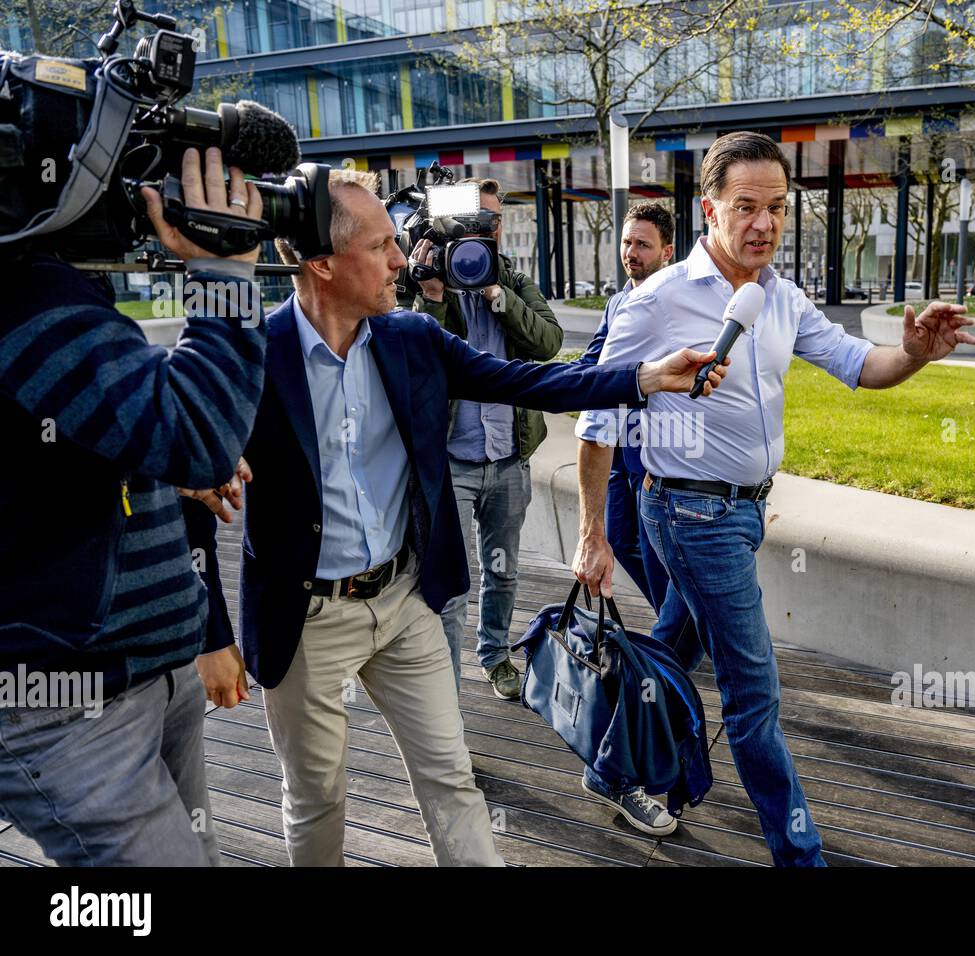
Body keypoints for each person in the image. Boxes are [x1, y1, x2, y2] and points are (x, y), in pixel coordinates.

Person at [187, 169, 727, 866]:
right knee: (316, 799)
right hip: (306, 621)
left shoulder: (413, 338)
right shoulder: (253, 359)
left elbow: (533, 379)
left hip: (408, 602)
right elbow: (188, 486)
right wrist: (211, 636)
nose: (401, 260)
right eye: (382, 246)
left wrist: (647, 377)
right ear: (322, 264)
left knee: (451, 781)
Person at [575, 131, 975, 866]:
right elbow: (598, 419)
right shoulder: (658, 299)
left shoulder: (782, 296)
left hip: (745, 510)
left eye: (778, 207)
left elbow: (862, 364)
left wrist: (916, 353)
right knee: (755, 696)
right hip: (689, 514)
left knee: (671, 645)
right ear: (709, 210)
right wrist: (592, 533)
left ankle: (608, 767)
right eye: (747, 207)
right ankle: (801, 856)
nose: (764, 223)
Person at [0, 147, 267, 865]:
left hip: (146, 672)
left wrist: (166, 471)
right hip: (61, 706)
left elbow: (76, 451)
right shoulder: (23, 295)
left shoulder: (48, 287)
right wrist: (226, 274)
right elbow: (199, 436)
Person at [569, 201, 697, 835]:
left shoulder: (680, 304)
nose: (631, 253)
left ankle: (632, 744)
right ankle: (657, 691)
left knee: (683, 619)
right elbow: (592, 371)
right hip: (625, 473)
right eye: (626, 243)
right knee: (680, 614)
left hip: (671, 479)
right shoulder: (621, 306)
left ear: (667, 250)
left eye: (643, 245)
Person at [406, 179, 558, 699]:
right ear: (444, 225)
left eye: (489, 222)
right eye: (468, 222)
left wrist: (497, 294)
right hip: (452, 460)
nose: (480, 231)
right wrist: (433, 298)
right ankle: (446, 696)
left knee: (505, 571)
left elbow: (548, 341)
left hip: (509, 456)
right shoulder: (425, 284)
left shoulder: (511, 277)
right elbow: (419, 366)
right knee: (450, 586)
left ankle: (495, 656)